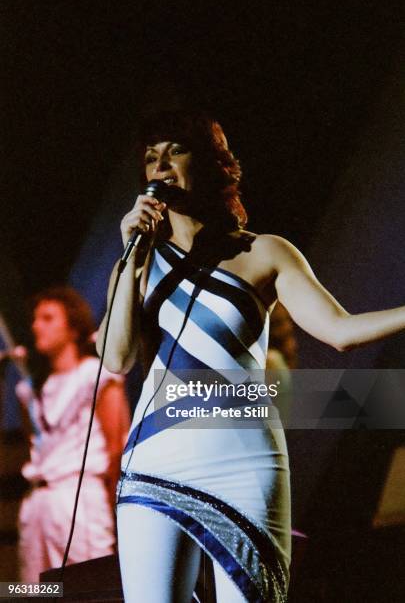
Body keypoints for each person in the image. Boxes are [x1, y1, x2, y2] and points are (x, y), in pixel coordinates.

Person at [98, 110, 405, 603]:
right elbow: (115, 359)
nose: (161, 165)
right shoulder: (135, 262)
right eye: (152, 157)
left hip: (243, 462)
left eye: (176, 150)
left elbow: (340, 332)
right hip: (155, 458)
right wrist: (129, 255)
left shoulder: (265, 252)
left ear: (211, 163)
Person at [16, 286, 130, 582]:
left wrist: (120, 513)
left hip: (81, 498)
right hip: (39, 500)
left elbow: (117, 445)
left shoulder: (95, 375)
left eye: (48, 318)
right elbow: (36, 444)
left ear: (73, 328)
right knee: (34, 589)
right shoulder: (30, 389)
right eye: (35, 319)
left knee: (85, 586)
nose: (36, 325)